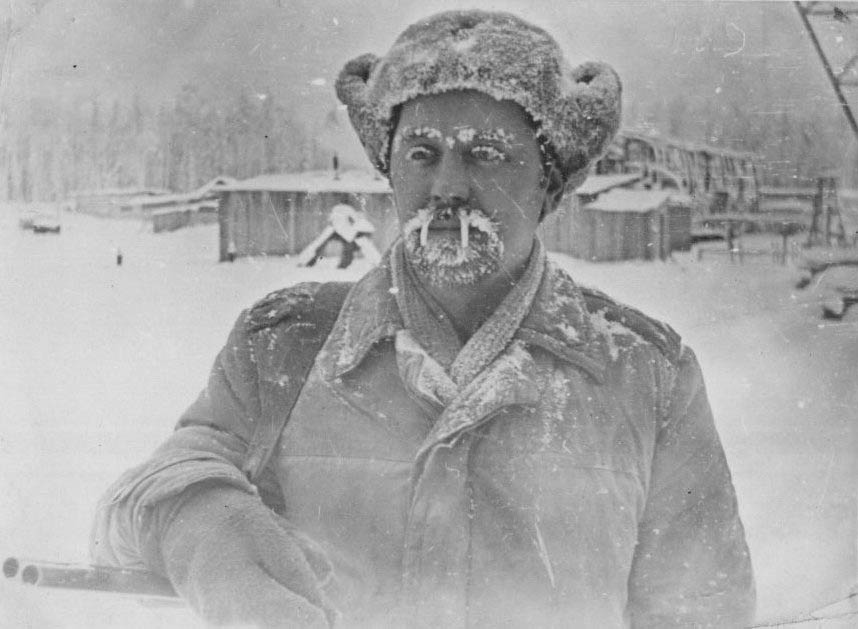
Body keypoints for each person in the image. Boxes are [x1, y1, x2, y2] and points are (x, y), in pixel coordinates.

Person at [91, 10, 755, 628]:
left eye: (486, 153)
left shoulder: (645, 375)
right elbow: (141, 502)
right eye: (421, 153)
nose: (447, 187)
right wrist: (201, 521)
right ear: (391, 171)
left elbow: (704, 611)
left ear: (549, 185)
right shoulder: (286, 345)